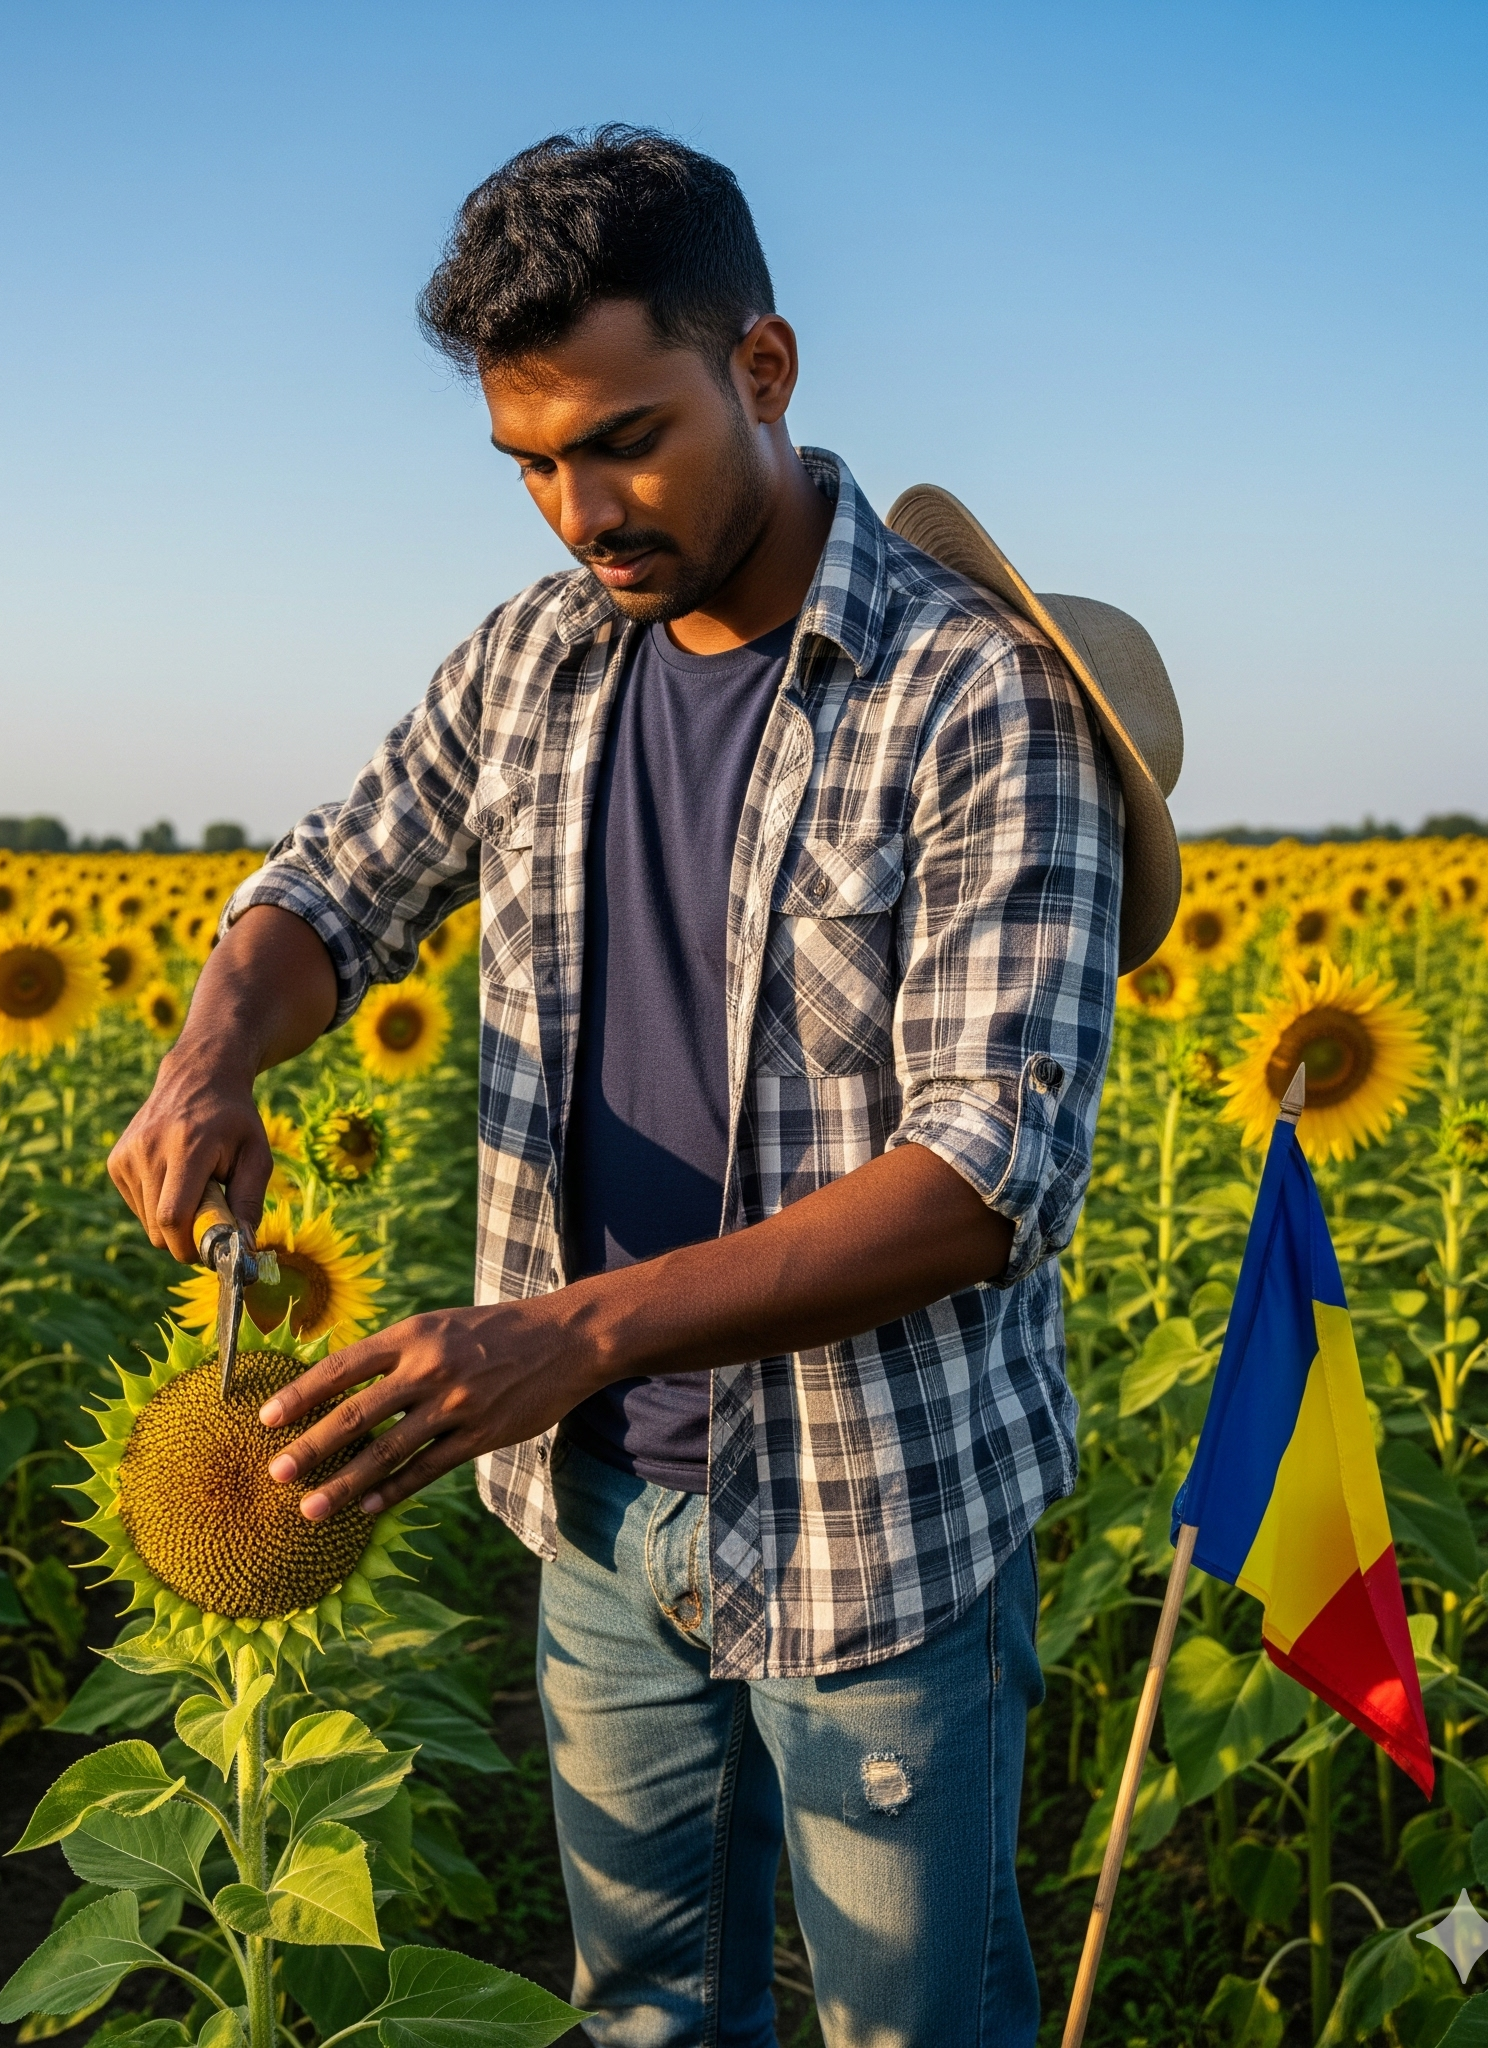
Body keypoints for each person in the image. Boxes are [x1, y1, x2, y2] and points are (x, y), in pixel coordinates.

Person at [108, 126, 1183, 2048]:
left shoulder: (975, 701)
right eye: (529, 463)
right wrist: (214, 1054)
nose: (577, 508)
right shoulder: (536, 663)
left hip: (880, 1523)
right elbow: (330, 882)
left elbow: (984, 1170)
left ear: (762, 372)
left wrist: (566, 1334)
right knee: (645, 2017)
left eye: (623, 437)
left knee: (909, 2027)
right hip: (600, 1517)